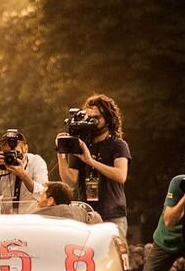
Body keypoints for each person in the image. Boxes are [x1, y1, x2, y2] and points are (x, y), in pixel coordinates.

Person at [56, 94, 131, 237]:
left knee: (112, 255)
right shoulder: (81, 144)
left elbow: (121, 176)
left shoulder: (118, 145)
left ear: (108, 119)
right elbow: (69, 181)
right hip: (87, 214)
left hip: (112, 214)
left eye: (96, 118)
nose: (92, 122)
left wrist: (91, 162)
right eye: (89, 118)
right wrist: (61, 153)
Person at [0, 129, 48, 214]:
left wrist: (23, 174)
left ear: (26, 149)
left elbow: (43, 194)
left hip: (29, 218)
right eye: (7, 153)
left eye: (16, 153)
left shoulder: (36, 162)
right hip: (4, 219)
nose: (11, 157)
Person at [33, 181, 102, 224]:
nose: (38, 200)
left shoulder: (37, 221)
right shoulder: (84, 218)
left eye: (42, 194)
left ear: (50, 201)